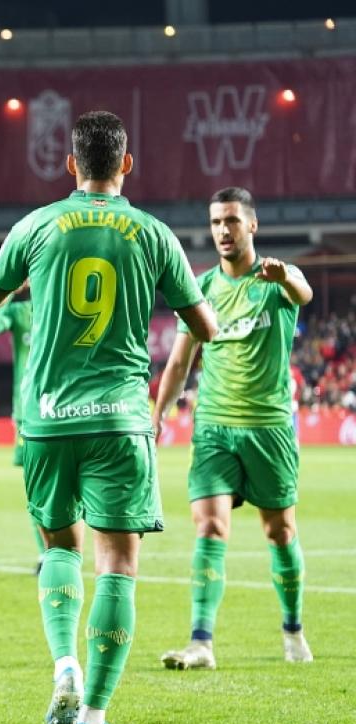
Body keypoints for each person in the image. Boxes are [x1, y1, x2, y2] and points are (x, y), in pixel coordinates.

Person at [0, 111, 217, 724]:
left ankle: (65, 665)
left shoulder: (37, 225)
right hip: (118, 419)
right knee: (118, 565)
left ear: (71, 164)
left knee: (59, 547)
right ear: (126, 164)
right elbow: (205, 327)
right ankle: (93, 719)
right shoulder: (153, 233)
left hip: (47, 419)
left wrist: (33, 280)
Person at [154, 187, 314, 671]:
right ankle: (201, 642)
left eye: (232, 221)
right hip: (214, 427)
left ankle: (293, 630)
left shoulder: (277, 281)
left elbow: (303, 292)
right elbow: (179, 362)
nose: (223, 230)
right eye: (216, 222)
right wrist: (158, 415)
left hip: (268, 428)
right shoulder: (200, 288)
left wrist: (286, 276)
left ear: (252, 225)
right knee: (209, 525)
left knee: (280, 531)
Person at [0, 287, 48, 566]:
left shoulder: (65, 305)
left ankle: (65, 550)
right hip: (29, 411)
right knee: (37, 487)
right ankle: (47, 553)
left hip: (67, 407)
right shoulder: (20, 312)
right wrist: (7, 291)